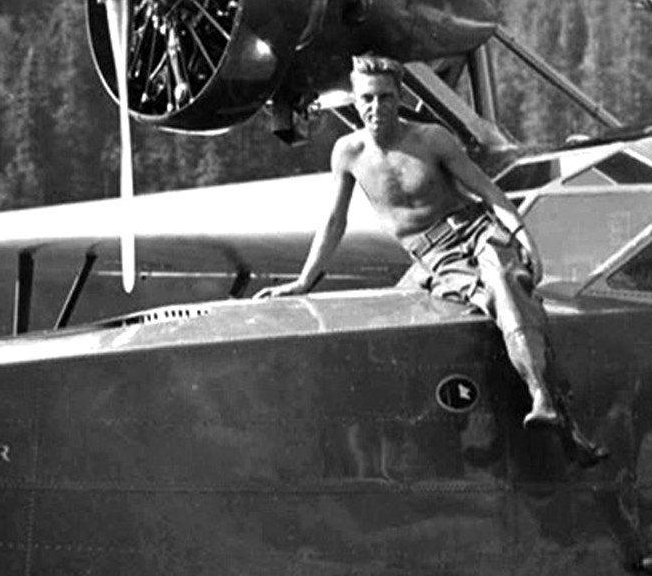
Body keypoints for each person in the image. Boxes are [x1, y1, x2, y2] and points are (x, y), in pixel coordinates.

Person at [256, 55, 606, 465]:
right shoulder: (348, 154)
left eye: (385, 97)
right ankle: (566, 432)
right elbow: (334, 222)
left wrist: (524, 236)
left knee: (504, 285)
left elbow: (489, 192)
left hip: (477, 232)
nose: (375, 107)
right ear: (355, 100)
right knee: (474, 310)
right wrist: (304, 281)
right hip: (433, 256)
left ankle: (542, 397)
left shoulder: (431, 140)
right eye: (367, 99)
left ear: (399, 97)